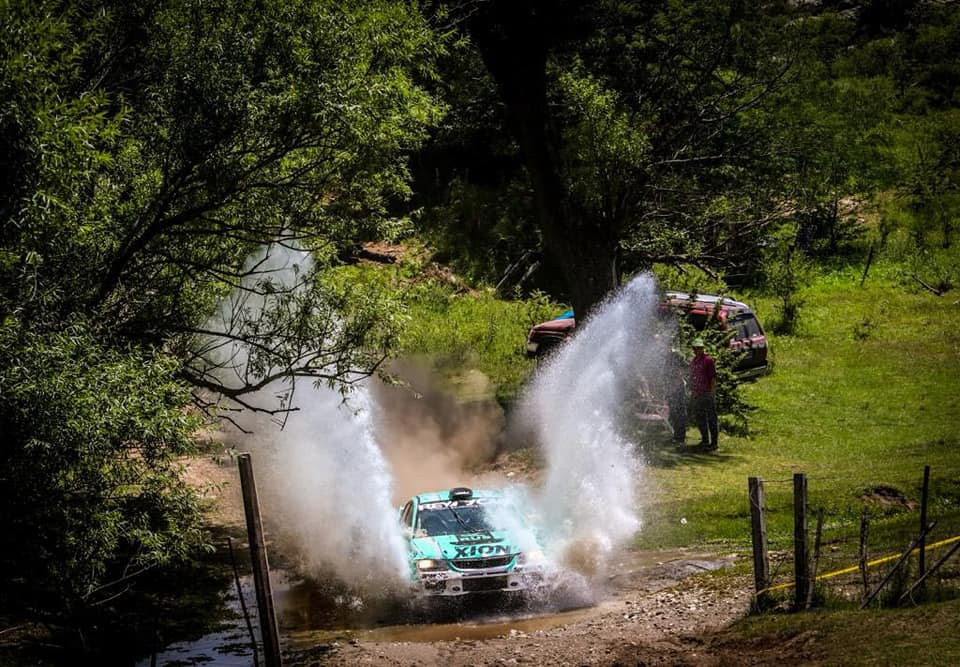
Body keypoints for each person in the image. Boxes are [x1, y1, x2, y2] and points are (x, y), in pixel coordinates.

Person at [689, 338, 718, 450]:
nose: (697, 350)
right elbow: (692, 377)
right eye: (695, 348)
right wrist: (693, 391)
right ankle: (705, 440)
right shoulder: (693, 361)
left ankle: (714, 443)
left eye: (699, 348)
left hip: (707, 393)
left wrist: (712, 392)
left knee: (712, 418)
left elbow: (712, 378)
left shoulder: (708, 360)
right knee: (700, 418)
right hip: (697, 394)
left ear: (702, 348)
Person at [666, 348, 688, 445]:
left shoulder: (677, 355)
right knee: (673, 413)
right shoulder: (665, 358)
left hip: (678, 387)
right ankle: (676, 436)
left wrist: (679, 378)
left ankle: (681, 438)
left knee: (680, 413)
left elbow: (685, 367)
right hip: (671, 388)